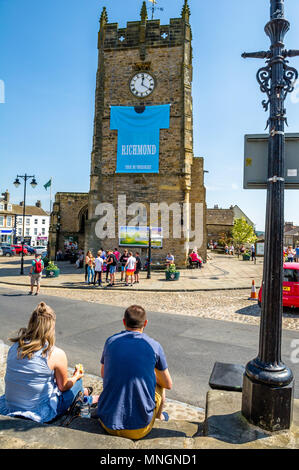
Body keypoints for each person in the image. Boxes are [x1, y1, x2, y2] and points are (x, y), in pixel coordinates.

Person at [0, 302, 98, 423]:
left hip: (11, 405)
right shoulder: (55, 353)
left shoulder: (14, 347)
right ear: (51, 327)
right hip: (37, 410)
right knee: (78, 382)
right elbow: (63, 387)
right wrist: (76, 376)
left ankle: (84, 395)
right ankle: (84, 397)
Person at [98, 305, 172, 440]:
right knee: (160, 385)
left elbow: (104, 374)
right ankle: (160, 417)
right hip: (139, 429)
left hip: (107, 423)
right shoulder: (154, 345)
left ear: (124, 322)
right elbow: (168, 384)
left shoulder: (110, 341)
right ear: (145, 323)